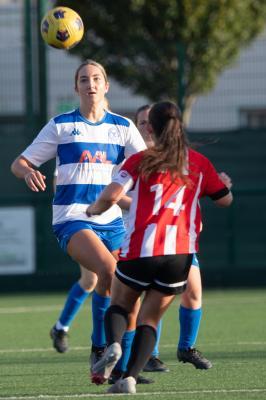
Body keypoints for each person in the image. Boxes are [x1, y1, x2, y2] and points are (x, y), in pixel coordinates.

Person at [10, 59, 147, 377]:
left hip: (112, 221)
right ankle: (100, 348)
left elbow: (146, 168)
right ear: (77, 87)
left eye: (96, 78)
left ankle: (122, 369)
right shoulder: (61, 125)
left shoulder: (123, 127)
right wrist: (27, 170)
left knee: (126, 291)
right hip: (73, 218)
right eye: (84, 79)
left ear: (106, 85)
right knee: (107, 271)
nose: (91, 84)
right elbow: (19, 163)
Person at [86, 100, 233, 394]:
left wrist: (93, 210)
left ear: (150, 128)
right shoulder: (199, 163)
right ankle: (129, 379)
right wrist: (225, 186)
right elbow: (224, 199)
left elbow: (112, 196)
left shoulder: (142, 159)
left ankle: (113, 346)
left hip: (142, 248)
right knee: (150, 319)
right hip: (180, 256)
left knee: (119, 304)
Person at [135, 104, 232, 371]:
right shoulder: (137, 157)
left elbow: (188, 191)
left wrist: (218, 186)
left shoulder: (181, 157)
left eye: (149, 121)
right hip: (147, 240)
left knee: (193, 292)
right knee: (156, 297)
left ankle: (186, 347)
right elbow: (121, 193)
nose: (147, 126)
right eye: (141, 122)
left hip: (180, 239)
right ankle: (149, 355)